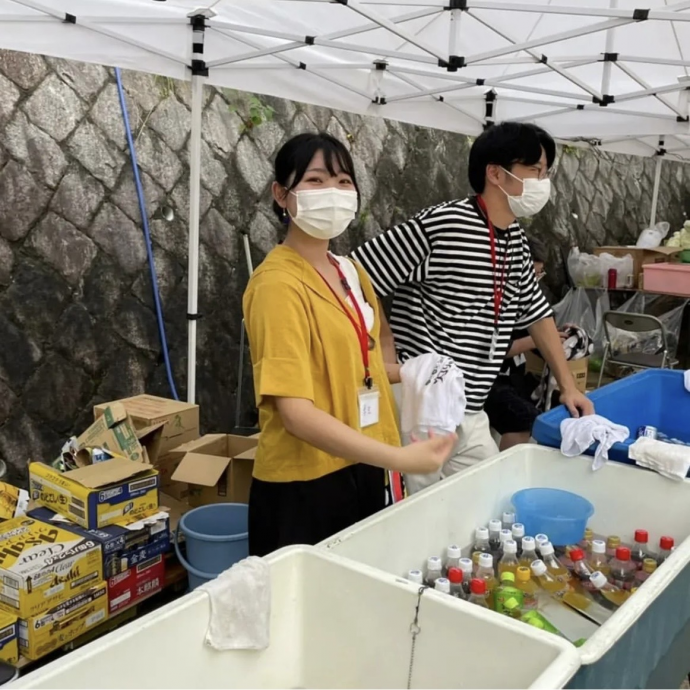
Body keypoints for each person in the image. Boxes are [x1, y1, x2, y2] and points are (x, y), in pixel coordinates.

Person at [242, 133, 456, 556]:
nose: (334, 193)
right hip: (305, 481)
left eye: (343, 182)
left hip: (363, 464)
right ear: (281, 195)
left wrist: (414, 371)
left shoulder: (351, 271)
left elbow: (363, 361)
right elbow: (296, 414)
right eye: (316, 181)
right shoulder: (276, 284)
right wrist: (400, 459)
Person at [352, 122, 594, 491]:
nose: (542, 182)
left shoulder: (514, 239)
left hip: (472, 403)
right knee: (417, 511)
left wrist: (568, 386)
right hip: (421, 403)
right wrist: (387, 357)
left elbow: (538, 314)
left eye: (545, 172)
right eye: (534, 170)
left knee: (484, 499)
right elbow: (357, 277)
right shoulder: (441, 225)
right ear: (495, 173)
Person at [484, 237, 557, 450]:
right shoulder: (489, 299)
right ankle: (509, 471)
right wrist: (536, 338)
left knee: (560, 404)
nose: (535, 281)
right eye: (532, 275)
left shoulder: (527, 300)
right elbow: (496, 349)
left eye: (539, 275)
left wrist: (556, 335)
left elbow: (539, 331)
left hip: (516, 378)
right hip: (489, 381)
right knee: (525, 419)